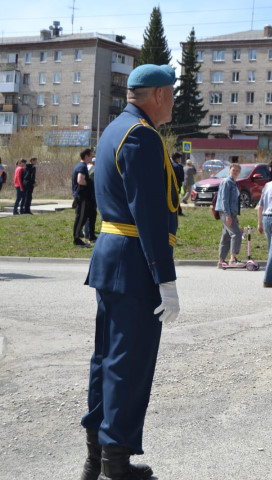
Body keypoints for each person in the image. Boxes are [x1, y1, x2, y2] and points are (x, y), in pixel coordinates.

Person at [79, 63, 180, 480]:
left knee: (107, 361)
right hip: (135, 263)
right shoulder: (140, 136)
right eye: (171, 92)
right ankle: (115, 465)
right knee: (129, 365)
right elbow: (150, 215)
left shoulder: (116, 129)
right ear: (156, 94)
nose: (173, 99)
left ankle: (96, 459)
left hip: (114, 258)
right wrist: (166, 279)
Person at [216, 163, 244, 268]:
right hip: (225, 212)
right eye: (233, 170)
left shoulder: (234, 183)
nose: (235, 172)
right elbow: (224, 199)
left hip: (231, 213)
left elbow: (234, 201)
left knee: (226, 236)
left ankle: (221, 260)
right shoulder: (227, 182)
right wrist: (228, 215)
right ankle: (233, 258)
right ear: (229, 170)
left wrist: (235, 216)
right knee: (236, 234)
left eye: (237, 170)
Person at [72, 150, 94, 247]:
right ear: (86, 156)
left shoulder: (80, 165)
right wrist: (90, 184)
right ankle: (76, 239)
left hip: (83, 196)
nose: (92, 157)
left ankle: (79, 236)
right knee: (80, 217)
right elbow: (80, 180)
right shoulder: (82, 166)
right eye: (90, 155)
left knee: (84, 216)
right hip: (82, 196)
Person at [83, 158, 98, 242]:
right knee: (90, 215)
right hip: (91, 195)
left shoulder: (88, 168)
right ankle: (88, 234)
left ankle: (86, 233)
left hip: (89, 195)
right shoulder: (92, 170)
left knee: (87, 215)